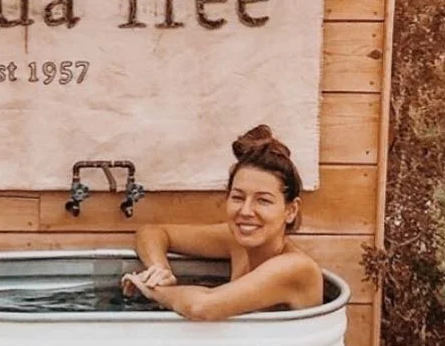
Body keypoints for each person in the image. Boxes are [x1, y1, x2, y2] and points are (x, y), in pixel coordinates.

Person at [121, 125, 323, 318]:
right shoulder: (236, 242)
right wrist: (160, 271)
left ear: (291, 210)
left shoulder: (297, 268)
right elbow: (152, 233)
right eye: (238, 197)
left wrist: (151, 289)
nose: (245, 211)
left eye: (263, 200)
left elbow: (202, 307)